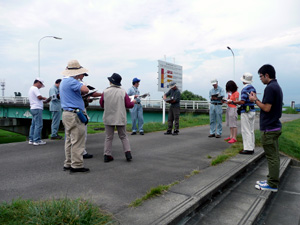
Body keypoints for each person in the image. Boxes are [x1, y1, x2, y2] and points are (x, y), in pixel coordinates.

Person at [250, 64, 283, 192]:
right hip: (274, 127)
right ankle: (271, 179)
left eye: (261, 76)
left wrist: (254, 100)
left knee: (272, 157)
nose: (260, 79)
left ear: (266, 75)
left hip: (269, 129)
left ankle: (272, 184)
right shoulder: (276, 86)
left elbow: (266, 108)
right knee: (274, 156)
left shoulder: (270, 88)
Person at [60, 59, 90, 173]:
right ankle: (77, 165)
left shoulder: (64, 81)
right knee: (78, 140)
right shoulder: (72, 81)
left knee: (69, 140)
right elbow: (85, 90)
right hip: (74, 114)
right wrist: (81, 83)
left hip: (66, 114)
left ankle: (68, 163)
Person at [100, 73, 136, 163]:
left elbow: (101, 104)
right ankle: (128, 153)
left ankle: (107, 155)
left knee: (109, 137)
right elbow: (128, 105)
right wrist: (133, 102)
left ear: (111, 82)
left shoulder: (105, 91)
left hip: (108, 116)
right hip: (120, 117)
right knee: (123, 136)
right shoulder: (122, 92)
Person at [230, 73, 256, 154]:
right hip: (252, 110)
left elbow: (242, 101)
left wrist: (233, 102)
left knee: (246, 130)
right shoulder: (253, 88)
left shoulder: (244, 89)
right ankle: (251, 147)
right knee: (251, 130)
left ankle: (248, 149)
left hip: (246, 111)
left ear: (244, 81)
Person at [28, 77, 48, 146]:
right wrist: (44, 98)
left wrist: (43, 101)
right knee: (39, 125)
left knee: (33, 125)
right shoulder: (35, 88)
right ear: (38, 82)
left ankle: (31, 139)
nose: (40, 87)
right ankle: (37, 140)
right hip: (37, 108)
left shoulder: (31, 88)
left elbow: (37, 99)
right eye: (41, 85)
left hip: (33, 108)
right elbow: (39, 97)